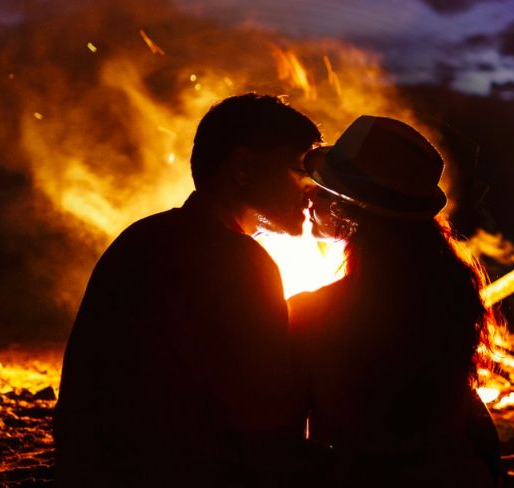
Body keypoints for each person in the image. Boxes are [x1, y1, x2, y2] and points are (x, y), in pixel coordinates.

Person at [54, 94, 320, 487]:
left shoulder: (141, 237)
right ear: (243, 169)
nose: (310, 190)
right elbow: (263, 423)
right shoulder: (237, 260)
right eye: (300, 170)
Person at [288, 116, 501, 487]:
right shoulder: (454, 293)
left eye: (324, 192)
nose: (312, 199)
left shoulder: (315, 312)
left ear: (349, 210)